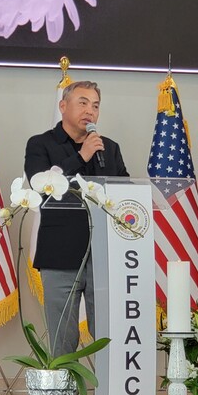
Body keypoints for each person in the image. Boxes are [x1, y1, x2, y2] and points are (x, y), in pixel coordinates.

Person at [24, 80, 129, 358]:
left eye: (95, 106)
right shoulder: (41, 144)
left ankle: (108, 388)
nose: (90, 111)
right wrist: (81, 156)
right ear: (63, 106)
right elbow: (40, 186)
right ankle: (65, 389)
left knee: (108, 336)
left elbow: (125, 194)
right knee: (63, 339)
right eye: (82, 103)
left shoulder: (109, 148)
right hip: (60, 254)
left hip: (104, 255)